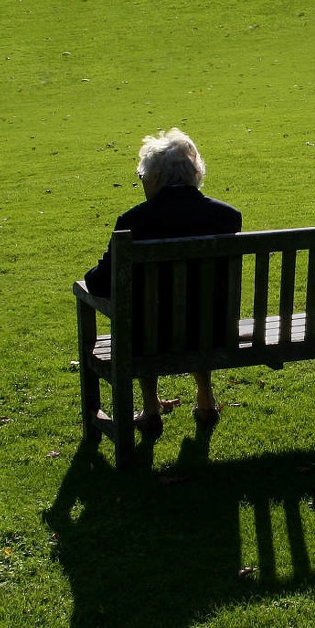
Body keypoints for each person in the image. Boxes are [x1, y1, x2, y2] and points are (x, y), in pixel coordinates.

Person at [84, 128, 242, 439]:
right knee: (197, 304)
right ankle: (205, 397)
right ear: (194, 173)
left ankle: (150, 409)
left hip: (148, 338)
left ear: (155, 178)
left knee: (147, 316)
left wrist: (85, 284)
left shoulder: (134, 221)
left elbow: (99, 284)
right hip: (212, 331)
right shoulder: (227, 217)